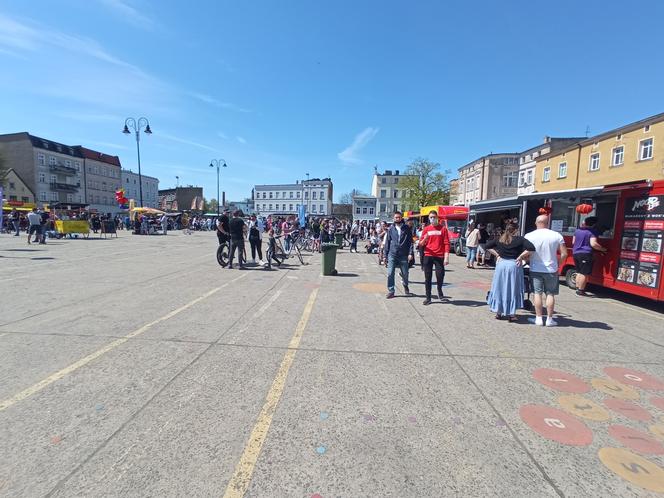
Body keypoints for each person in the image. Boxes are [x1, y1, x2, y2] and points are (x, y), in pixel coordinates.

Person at [486, 222, 535, 322]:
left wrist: (497, 255)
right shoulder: (520, 239)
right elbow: (531, 248)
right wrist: (521, 256)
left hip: (501, 265)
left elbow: (487, 246)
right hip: (514, 265)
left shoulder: (500, 239)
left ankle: (498, 312)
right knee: (512, 288)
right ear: (516, 230)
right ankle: (512, 314)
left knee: (499, 287)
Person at [525, 215, 568, 327]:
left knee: (537, 293)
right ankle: (549, 319)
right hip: (551, 269)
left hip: (535, 268)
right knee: (550, 294)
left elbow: (526, 253)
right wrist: (558, 264)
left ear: (536, 222)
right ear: (548, 223)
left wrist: (528, 260)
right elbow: (564, 253)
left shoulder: (529, 236)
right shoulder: (557, 235)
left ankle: (538, 318)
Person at [418, 210, 451, 305]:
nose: (432, 219)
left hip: (439, 256)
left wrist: (446, 256)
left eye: (434, 217)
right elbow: (420, 244)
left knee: (440, 276)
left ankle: (440, 291)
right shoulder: (426, 229)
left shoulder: (443, 229)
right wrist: (425, 238)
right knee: (428, 278)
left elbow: (446, 243)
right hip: (428, 255)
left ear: (437, 217)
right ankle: (428, 297)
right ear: (429, 218)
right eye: (431, 217)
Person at [572, 216, 607, 296]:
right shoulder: (592, 232)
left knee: (579, 271)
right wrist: (603, 249)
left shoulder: (577, 231)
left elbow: (573, 242)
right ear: (594, 224)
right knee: (584, 273)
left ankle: (577, 288)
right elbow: (593, 244)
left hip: (575, 253)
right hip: (585, 254)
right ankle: (580, 291)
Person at [384, 211, 413, 299]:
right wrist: (385, 255)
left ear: (402, 218)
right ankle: (391, 290)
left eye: (399, 217)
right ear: (394, 218)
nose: (397, 219)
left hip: (403, 254)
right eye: (396, 217)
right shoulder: (391, 229)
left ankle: (405, 285)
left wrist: (410, 253)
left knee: (405, 273)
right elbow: (387, 242)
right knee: (390, 273)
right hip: (392, 254)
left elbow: (410, 242)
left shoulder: (406, 228)